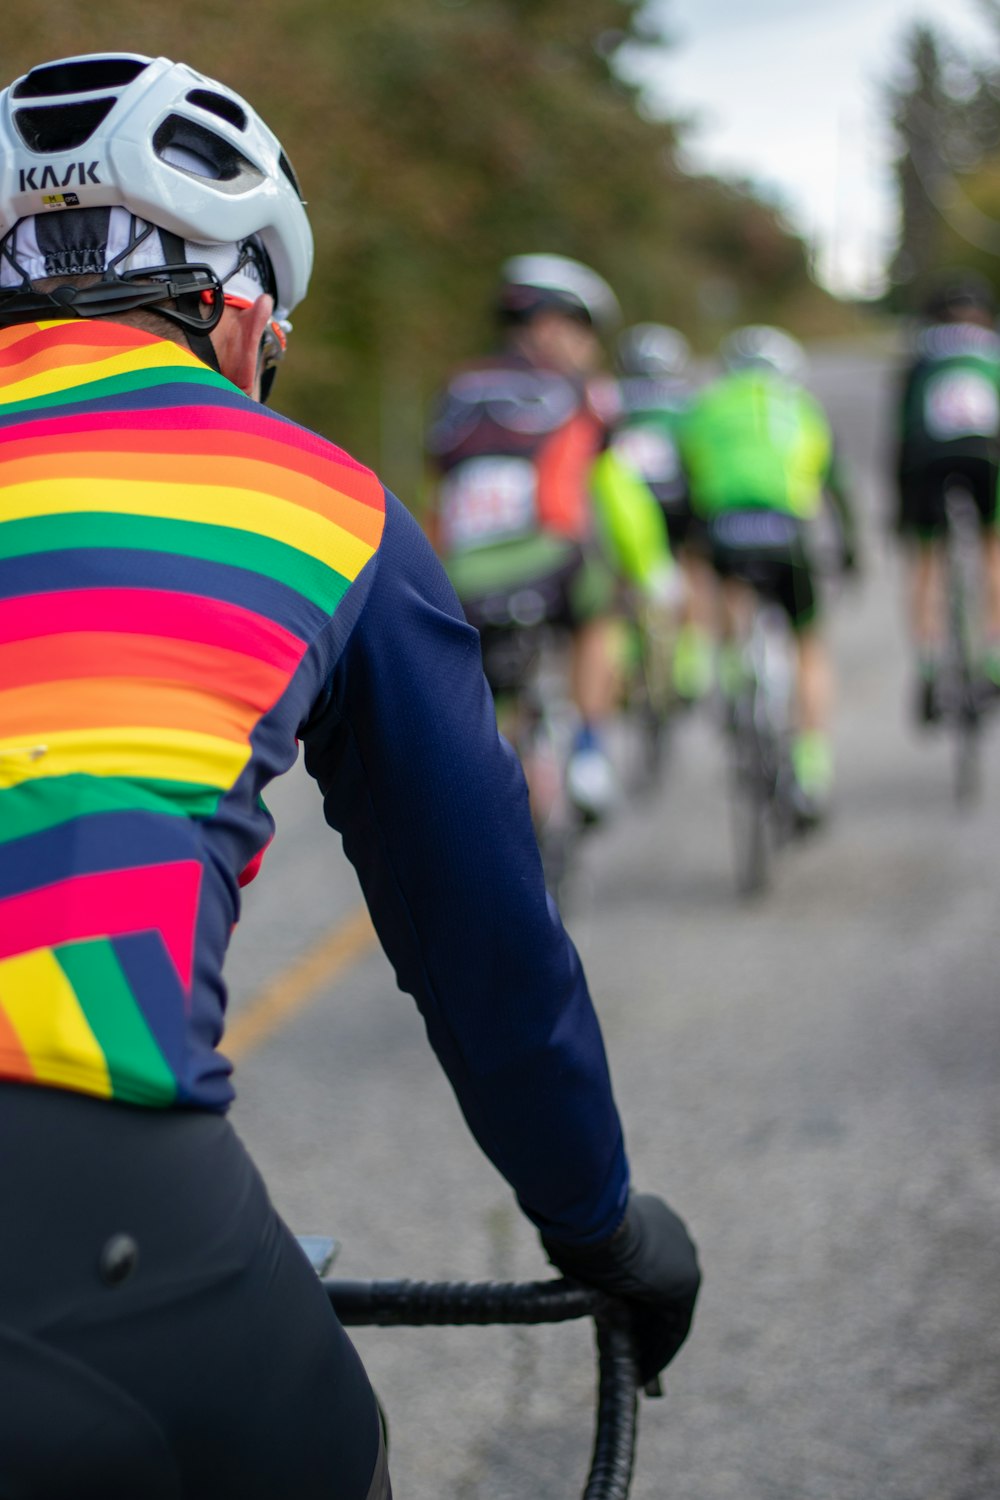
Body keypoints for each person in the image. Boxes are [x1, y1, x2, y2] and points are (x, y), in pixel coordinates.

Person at [0, 52, 699, 1500]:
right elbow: (482, 938)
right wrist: (599, 1225)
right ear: (238, 308)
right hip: (79, 1191)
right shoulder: (313, 501)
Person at [424, 254, 676, 822]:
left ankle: (504, 786)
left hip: (463, 578)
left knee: (500, 692)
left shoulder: (456, 391)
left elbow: (438, 496)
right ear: (551, 327)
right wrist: (649, 573)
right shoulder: (583, 393)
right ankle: (589, 752)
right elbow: (617, 498)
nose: (589, 347)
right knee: (599, 615)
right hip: (555, 563)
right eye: (584, 331)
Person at [678, 324, 858, 824]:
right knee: (808, 644)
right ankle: (811, 767)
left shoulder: (707, 405)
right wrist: (850, 551)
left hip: (726, 530)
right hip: (788, 531)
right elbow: (833, 483)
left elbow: (685, 476)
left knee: (728, 590)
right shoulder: (799, 405)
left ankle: (737, 679)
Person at [893, 271, 1000, 723]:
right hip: (987, 452)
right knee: (993, 550)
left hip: (928, 457)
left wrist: (901, 504)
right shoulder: (992, 348)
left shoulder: (922, 352)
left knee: (926, 557)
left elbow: (902, 430)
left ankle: (929, 665)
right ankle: (993, 659)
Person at [610, 322, 713, 703]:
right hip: (677, 499)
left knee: (619, 573)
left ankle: (624, 655)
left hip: (628, 503)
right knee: (693, 564)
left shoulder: (611, 397)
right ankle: (692, 656)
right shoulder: (687, 399)